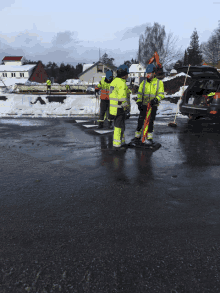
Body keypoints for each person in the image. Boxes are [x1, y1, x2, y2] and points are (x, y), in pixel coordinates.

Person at [131, 64, 165, 146]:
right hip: (144, 105)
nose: (147, 75)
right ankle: (137, 136)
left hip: (153, 105)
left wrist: (156, 99)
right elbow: (140, 94)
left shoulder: (159, 83)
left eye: (149, 73)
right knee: (140, 120)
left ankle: (149, 137)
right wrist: (139, 102)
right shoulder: (143, 83)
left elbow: (161, 94)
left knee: (150, 121)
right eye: (147, 73)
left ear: (154, 73)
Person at [109, 64, 131, 150]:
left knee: (119, 125)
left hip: (114, 108)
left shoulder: (113, 82)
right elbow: (122, 98)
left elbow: (111, 94)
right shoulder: (121, 83)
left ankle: (121, 142)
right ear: (124, 74)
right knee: (119, 126)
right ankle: (117, 146)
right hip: (120, 108)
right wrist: (126, 109)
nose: (128, 75)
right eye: (127, 74)